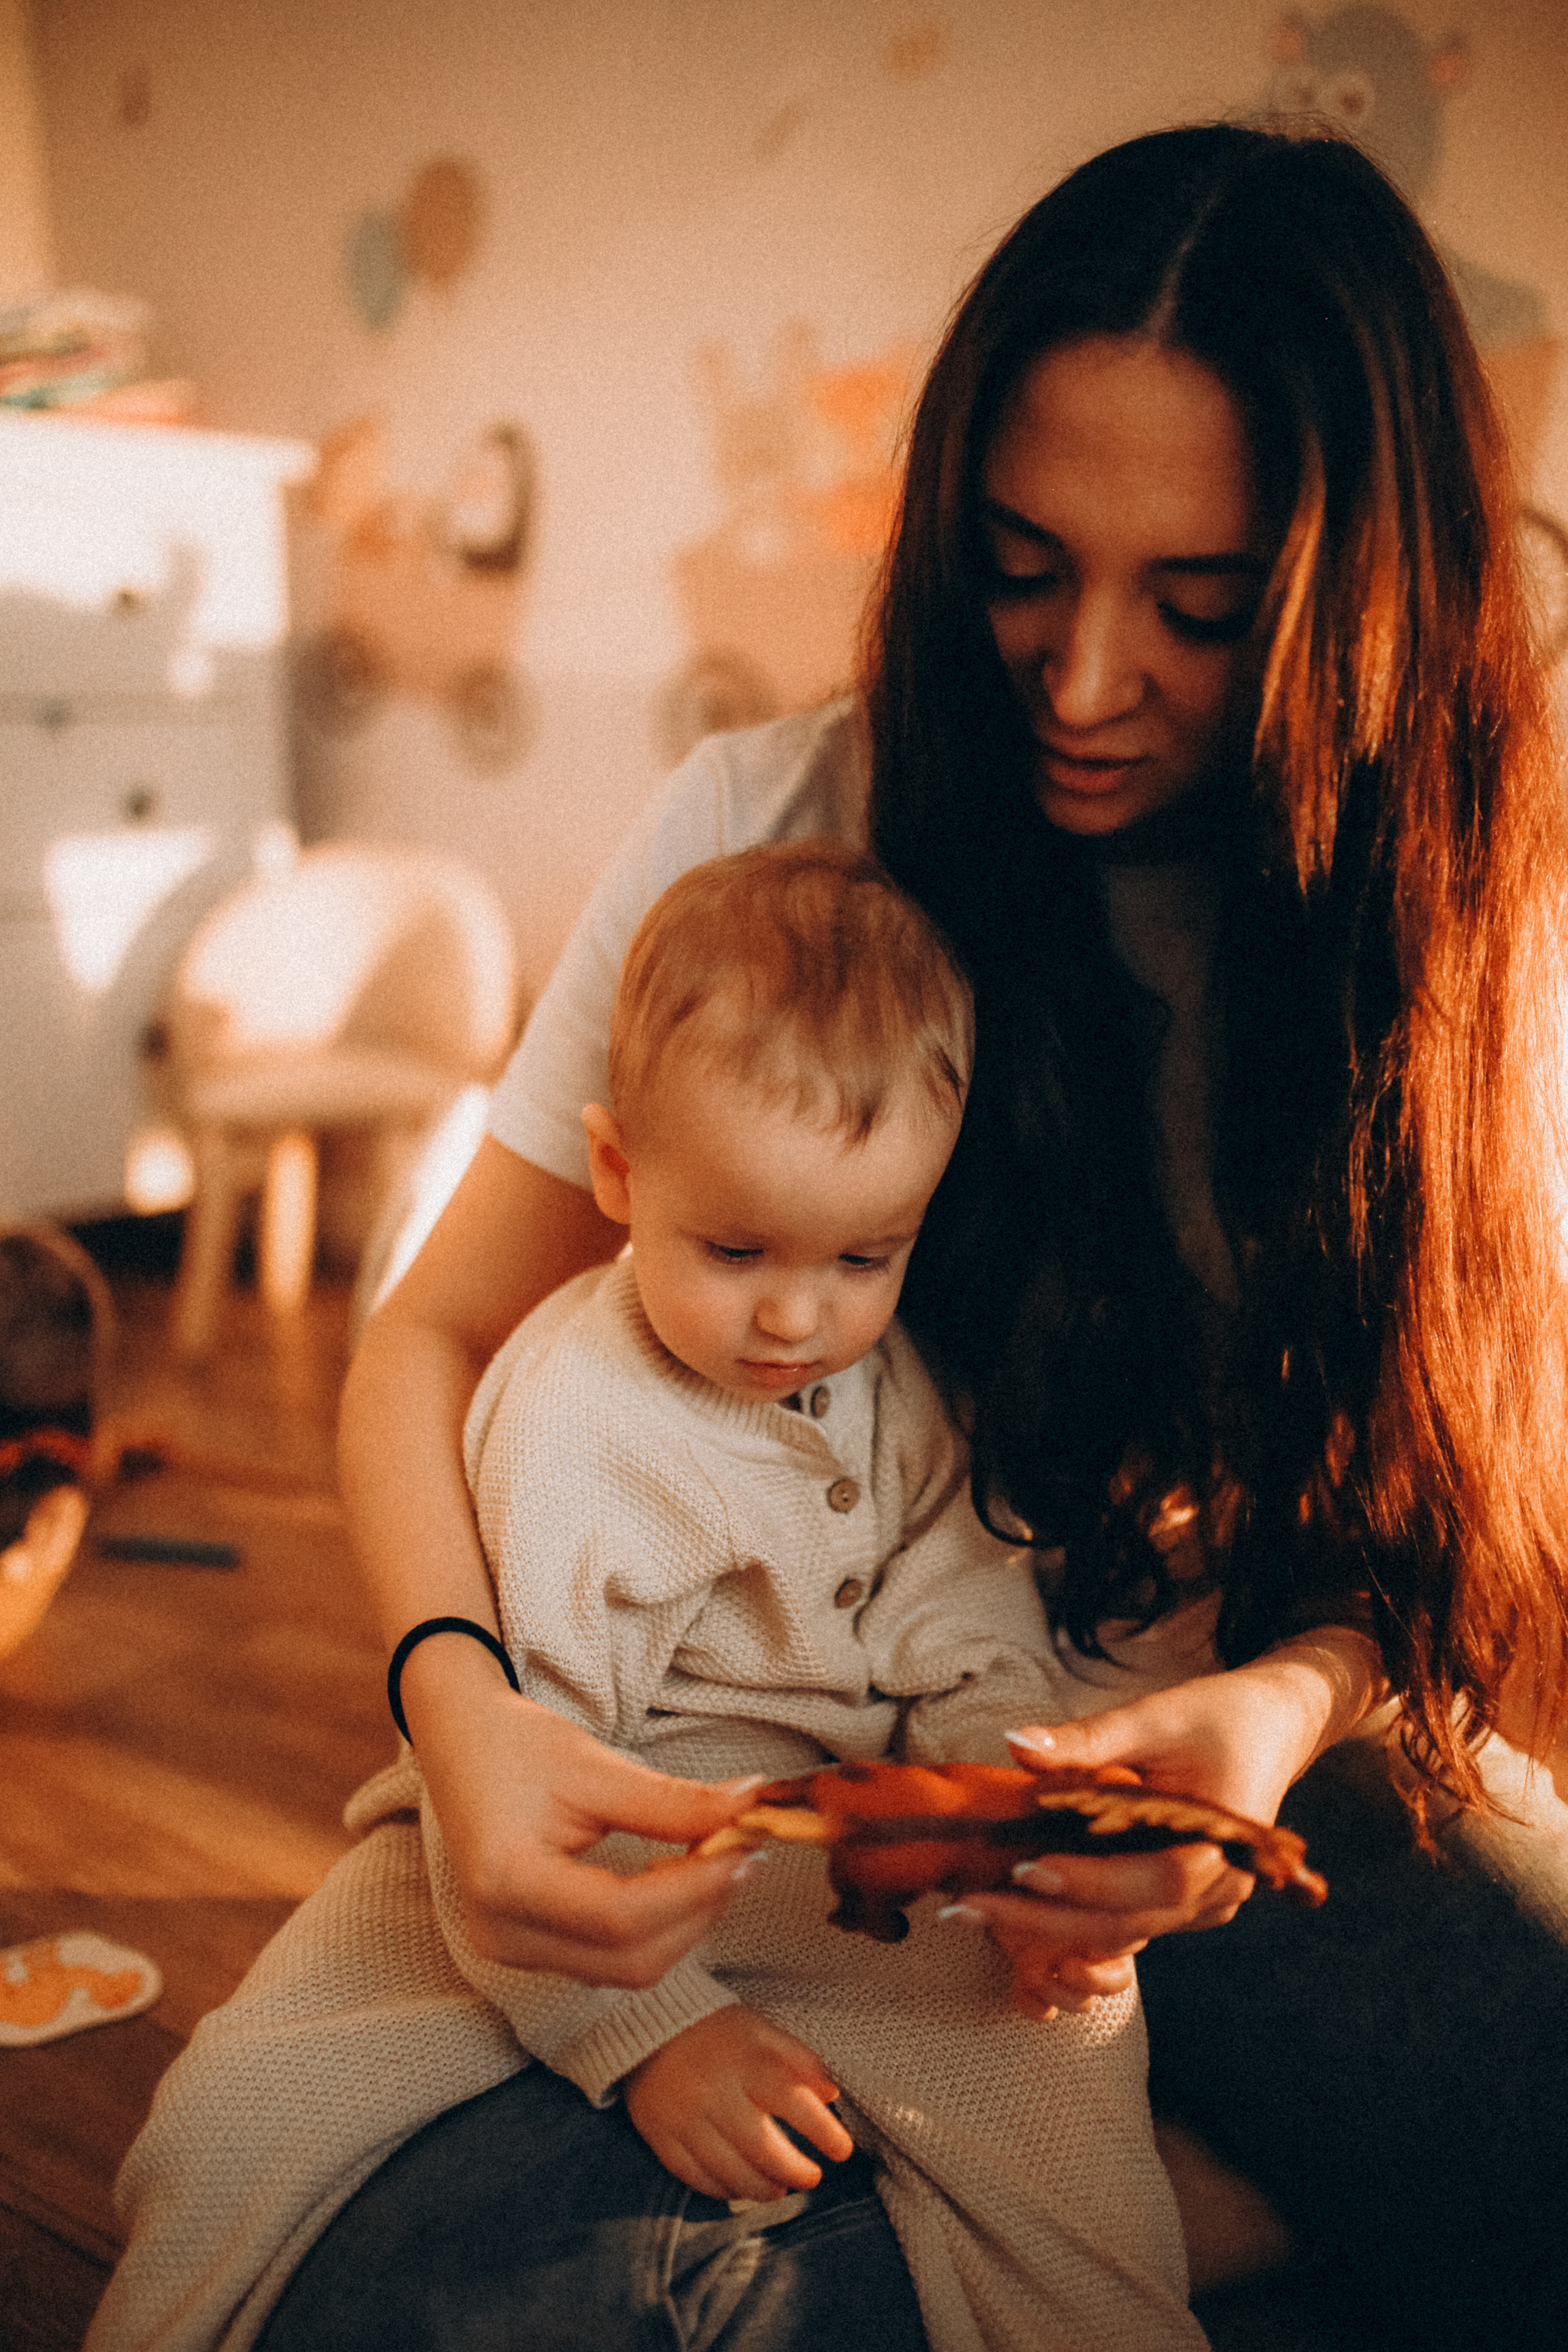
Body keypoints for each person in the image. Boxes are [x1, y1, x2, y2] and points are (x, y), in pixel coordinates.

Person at [108, 119, 1568, 2350]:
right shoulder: (774, 833)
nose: (1080, 686)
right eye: (1015, 567)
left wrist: (1272, 1718)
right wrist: (462, 1706)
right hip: (805, 1814)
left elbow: (1448, 1539)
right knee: (436, 2291)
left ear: (1359, 604)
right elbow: (428, 1345)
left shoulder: (1475, 932)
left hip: (1261, 1802)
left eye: (1200, 610)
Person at [90, 845, 1206, 2352]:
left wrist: (1007, 1815)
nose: (797, 1316)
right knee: (242, 2125)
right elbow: (518, 1790)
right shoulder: (575, 1423)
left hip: (832, 1855)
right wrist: (651, 2039)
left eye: (863, 1256)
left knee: (1065, 2055)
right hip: (601, 1852)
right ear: (618, 1176)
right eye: (735, 1249)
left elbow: (960, 1609)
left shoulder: (884, 1380)